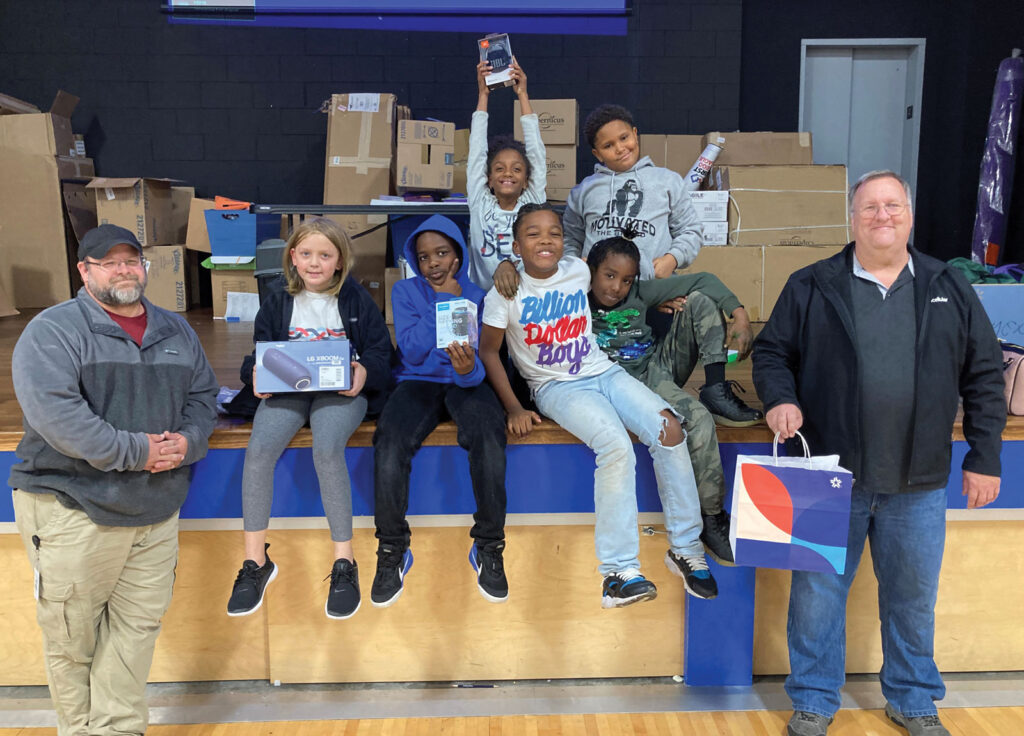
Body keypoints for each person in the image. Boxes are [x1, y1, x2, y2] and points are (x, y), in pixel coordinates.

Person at [753, 171, 1006, 736]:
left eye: (893, 205)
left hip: (918, 481)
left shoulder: (948, 284)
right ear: (852, 218)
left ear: (910, 215)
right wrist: (780, 400)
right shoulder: (813, 284)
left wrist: (985, 457)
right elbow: (771, 353)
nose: (882, 216)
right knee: (816, 600)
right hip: (826, 476)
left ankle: (914, 700)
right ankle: (814, 702)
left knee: (912, 601)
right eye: (870, 207)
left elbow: (985, 373)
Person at [10, 224, 219, 735]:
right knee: (73, 640)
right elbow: (60, 419)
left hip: (155, 510)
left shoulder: (175, 330)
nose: (124, 270)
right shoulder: (53, 330)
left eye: (132, 260)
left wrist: (188, 444)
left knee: (135, 633)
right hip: (74, 507)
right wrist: (140, 451)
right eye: (109, 262)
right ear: (84, 272)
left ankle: (118, 731)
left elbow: (203, 397)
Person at [479, 203, 718, 608]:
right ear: (517, 244)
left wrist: (655, 302)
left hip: (604, 372)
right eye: (533, 234)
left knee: (670, 429)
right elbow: (488, 352)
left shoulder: (578, 270)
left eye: (554, 232)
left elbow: (618, 274)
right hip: (557, 387)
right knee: (615, 447)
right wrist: (513, 407)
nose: (546, 240)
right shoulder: (504, 291)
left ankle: (685, 546)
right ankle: (618, 571)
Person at [226, 218, 393, 621]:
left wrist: (364, 373)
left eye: (325, 255)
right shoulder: (278, 301)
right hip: (288, 389)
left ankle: (344, 562)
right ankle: (255, 562)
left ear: (340, 262)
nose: (314, 263)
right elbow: (260, 350)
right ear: (292, 259)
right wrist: (255, 372)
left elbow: (381, 352)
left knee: (326, 448)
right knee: (260, 450)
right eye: (305, 254)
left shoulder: (355, 300)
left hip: (338, 392)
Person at [563, 103, 761, 426]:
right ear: (597, 154)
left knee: (702, 299)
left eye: (624, 138)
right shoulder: (583, 191)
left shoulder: (668, 182)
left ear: (636, 135)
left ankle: (714, 388)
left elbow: (691, 231)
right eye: (608, 145)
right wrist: (576, 264)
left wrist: (671, 259)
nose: (620, 148)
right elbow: (570, 239)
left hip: (654, 294)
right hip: (601, 306)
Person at [586, 234, 756, 564]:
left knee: (699, 301)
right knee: (689, 420)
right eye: (609, 276)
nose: (617, 287)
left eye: (626, 280)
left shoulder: (639, 292)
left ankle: (710, 516)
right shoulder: (574, 296)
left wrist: (740, 314)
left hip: (652, 373)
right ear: (590, 271)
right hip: (607, 385)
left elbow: (705, 280)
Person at [371, 215, 509, 607]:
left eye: (442, 253)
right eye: (424, 256)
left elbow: (481, 361)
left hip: (464, 381)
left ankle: (489, 546)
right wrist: (447, 302)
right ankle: (392, 549)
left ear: (458, 254)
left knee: (488, 433)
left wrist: (467, 374)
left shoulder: (480, 296)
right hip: (417, 380)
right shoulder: (405, 291)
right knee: (390, 440)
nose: (433, 263)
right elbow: (412, 350)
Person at [467, 56, 546, 295]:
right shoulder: (480, 202)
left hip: (524, 300)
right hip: (484, 298)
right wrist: (483, 95)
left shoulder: (531, 203)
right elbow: (477, 152)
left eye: (517, 169)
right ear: (489, 179)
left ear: (526, 180)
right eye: (499, 168)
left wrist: (522, 93)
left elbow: (536, 151)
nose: (508, 173)